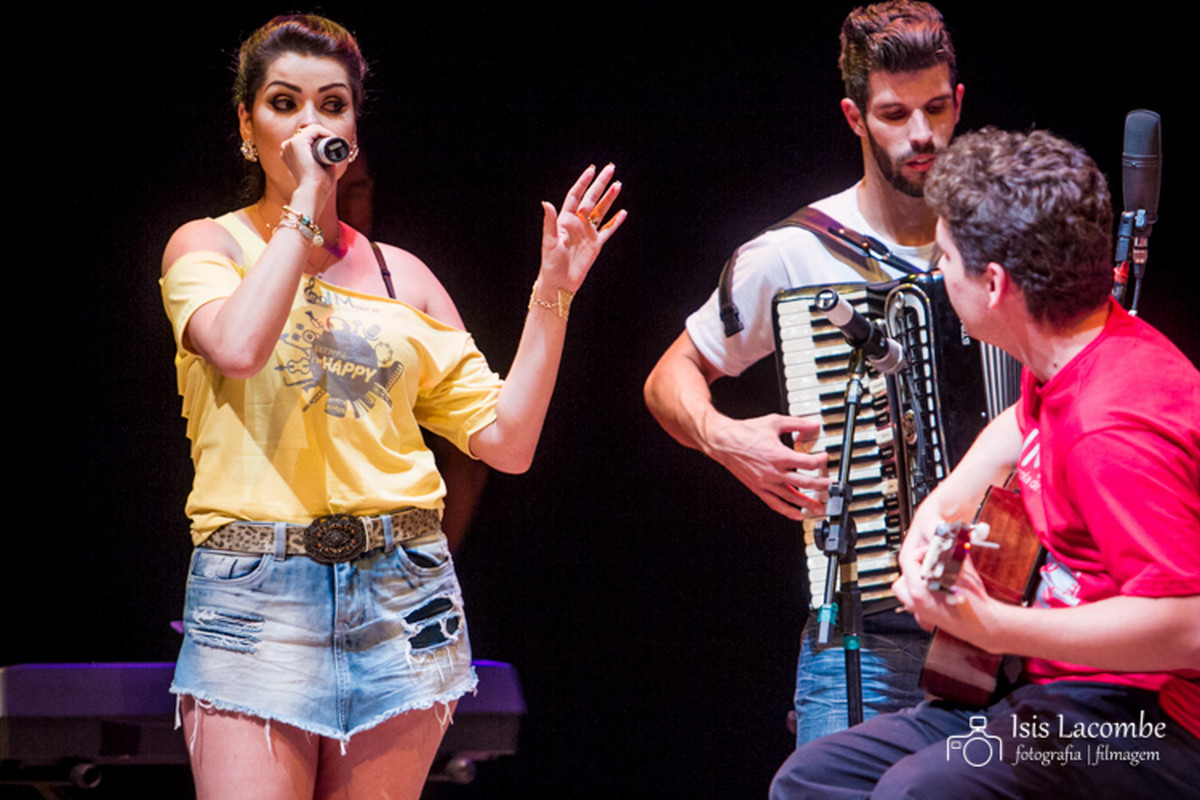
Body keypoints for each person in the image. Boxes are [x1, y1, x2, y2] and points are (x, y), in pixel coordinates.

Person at [159, 15, 625, 799]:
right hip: (258, 589)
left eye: (332, 105)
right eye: (284, 102)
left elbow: (506, 442)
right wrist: (307, 204)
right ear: (247, 125)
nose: (311, 123)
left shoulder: (401, 275)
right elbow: (238, 347)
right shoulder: (207, 247)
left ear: (354, 124)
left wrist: (553, 296)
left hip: (401, 591)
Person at [770, 127, 1200, 799]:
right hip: (1053, 692)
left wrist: (998, 626)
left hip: (1147, 723)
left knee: (919, 793)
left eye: (945, 258)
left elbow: (1188, 629)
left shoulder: (1110, 428)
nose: (939, 275)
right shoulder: (1072, 349)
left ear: (994, 283)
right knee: (814, 778)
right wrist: (928, 527)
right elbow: (1017, 428)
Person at [644, 0, 962, 744]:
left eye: (937, 108)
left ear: (959, 103)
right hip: (866, 634)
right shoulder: (795, 254)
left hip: (1021, 629)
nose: (921, 134)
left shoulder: (1002, 240)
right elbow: (670, 376)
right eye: (894, 114)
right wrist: (726, 437)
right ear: (854, 117)